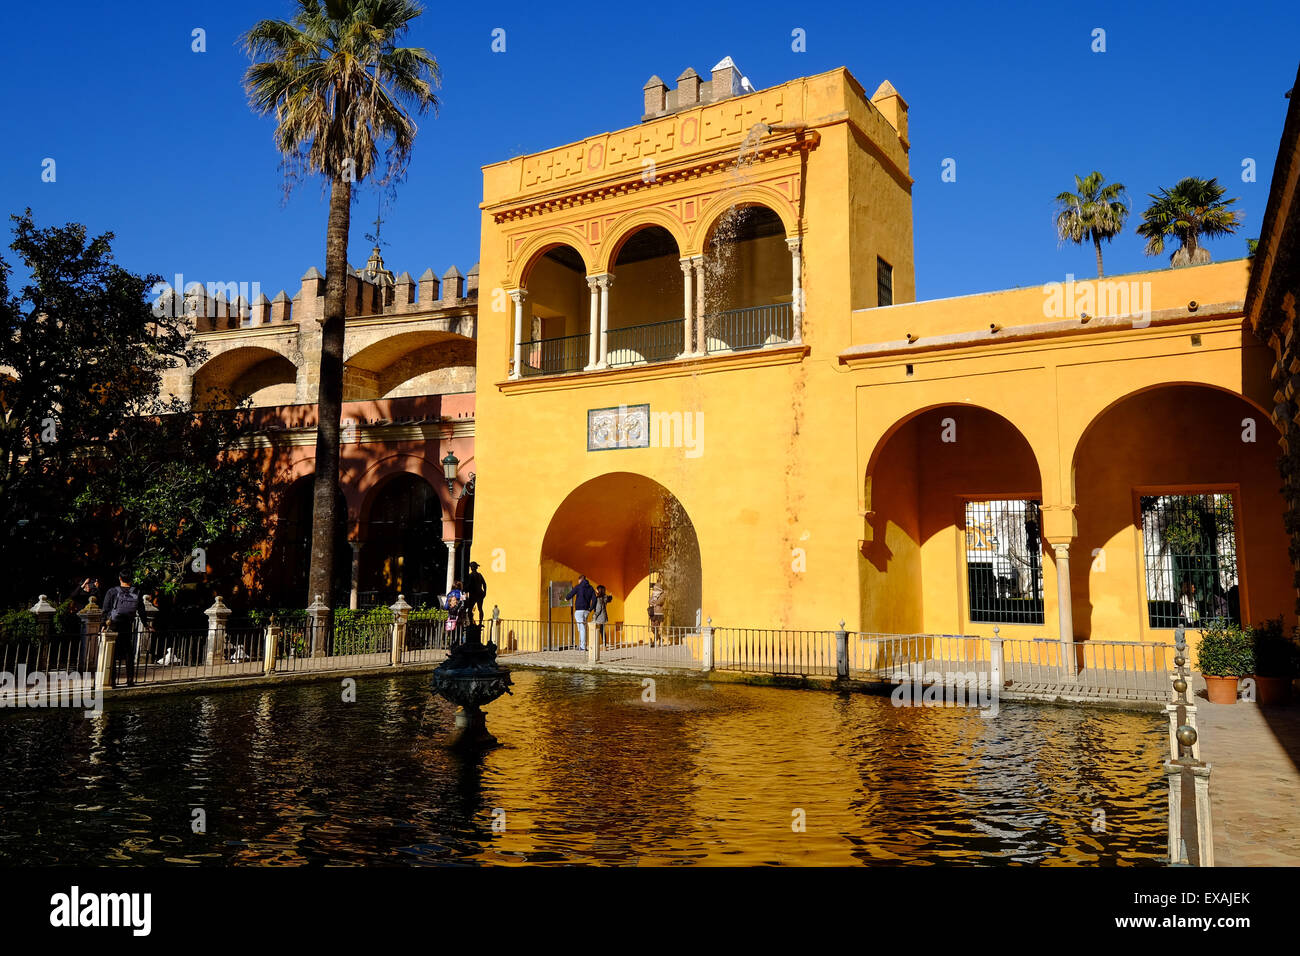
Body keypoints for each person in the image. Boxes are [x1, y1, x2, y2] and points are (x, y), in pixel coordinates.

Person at [101, 569, 148, 686]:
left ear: (120, 578)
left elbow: (105, 609)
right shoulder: (136, 591)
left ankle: (112, 681)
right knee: (128, 652)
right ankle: (130, 680)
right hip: (128, 624)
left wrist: (103, 624)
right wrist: (146, 624)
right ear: (131, 579)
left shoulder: (112, 591)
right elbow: (141, 610)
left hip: (113, 624)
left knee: (112, 652)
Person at [565, 575, 597, 651]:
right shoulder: (591, 588)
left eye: (579, 581)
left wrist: (566, 598)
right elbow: (594, 600)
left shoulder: (578, 587)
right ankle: (582, 645)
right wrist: (590, 609)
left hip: (579, 610)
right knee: (581, 628)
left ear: (580, 580)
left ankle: (583, 646)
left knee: (582, 628)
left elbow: (571, 594)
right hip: (586, 610)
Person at [465, 561, 487, 625]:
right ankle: (480, 623)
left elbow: (469, 585)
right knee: (480, 608)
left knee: (470, 609)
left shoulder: (470, 576)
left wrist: (464, 590)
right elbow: (484, 584)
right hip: (480, 594)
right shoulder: (480, 575)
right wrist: (484, 592)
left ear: (471, 568)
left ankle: (471, 623)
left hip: (473, 594)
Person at [445, 581, 465, 645]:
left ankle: (452, 645)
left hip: (451, 616)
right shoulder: (462, 594)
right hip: (460, 616)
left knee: (452, 631)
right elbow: (464, 605)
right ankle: (460, 645)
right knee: (460, 631)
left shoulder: (449, 594)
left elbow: (446, 607)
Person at [648, 580, 667, 646]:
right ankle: (660, 639)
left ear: (659, 589)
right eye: (654, 588)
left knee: (656, 627)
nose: (654, 590)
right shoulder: (653, 594)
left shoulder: (663, 594)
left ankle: (655, 641)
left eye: (656, 588)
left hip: (659, 613)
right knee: (652, 628)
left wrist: (654, 602)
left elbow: (660, 602)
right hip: (653, 613)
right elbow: (649, 601)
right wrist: (653, 602)